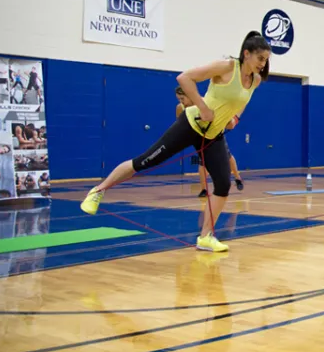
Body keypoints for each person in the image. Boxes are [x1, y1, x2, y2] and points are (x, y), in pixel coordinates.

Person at [79, 31, 271, 253]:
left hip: (213, 135)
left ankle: (206, 236)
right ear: (246, 54)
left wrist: (234, 118)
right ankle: (97, 191)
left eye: (266, 60)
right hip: (190, 125)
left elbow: (242, 102)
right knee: (144, 162)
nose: (263, 64)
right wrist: (202, 106)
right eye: (260, 59)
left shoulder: (255, 80)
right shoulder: (228, 67)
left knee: (223, 184)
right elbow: (184, 78)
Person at [176, 87, 244, 196]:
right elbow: (181, 122)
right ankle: (204, 189)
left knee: (228, 157)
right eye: (179, 99)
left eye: (182, 98)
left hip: (215, 133)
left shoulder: (204, 103)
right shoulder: (180, 108)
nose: (181, 102)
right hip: (200, 135)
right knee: (202, 162)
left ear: (189, 95)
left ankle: (237, 178)